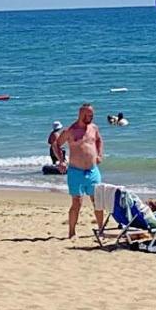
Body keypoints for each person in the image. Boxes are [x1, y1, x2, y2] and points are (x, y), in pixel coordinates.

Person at [58, 103, 105, 240]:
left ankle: (101, 230)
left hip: (92, 171)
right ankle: (72, 232)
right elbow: (56, 144)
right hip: (75, 172)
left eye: (92, 115)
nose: (91, 117)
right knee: (77, 203)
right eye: (89, 115)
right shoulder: (70, 131)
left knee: (97, 201)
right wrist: (61, 160)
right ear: (81, 114)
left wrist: (99, 154)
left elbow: (99, 140)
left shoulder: (94, 128)